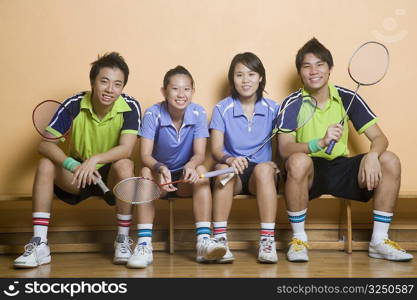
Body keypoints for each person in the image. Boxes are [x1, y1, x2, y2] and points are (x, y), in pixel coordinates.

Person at [278, 38, 413, 262]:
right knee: (297, 161)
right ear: (300, 72)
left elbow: (380, 138)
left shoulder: (347, 97)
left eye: (320, 64)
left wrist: (372, 155)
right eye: (306, 66)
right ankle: (299, 240)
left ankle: (379, 241)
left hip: (342, 168)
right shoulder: (292, 103)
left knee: (389, 159)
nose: (314, 71)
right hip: (308, 172)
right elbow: (284, 149)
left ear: (330, 69)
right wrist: (319, 143)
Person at [14, 52, 142, 268]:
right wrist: (72, 165)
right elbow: (44, 144)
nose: (110, 89)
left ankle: (122, 240)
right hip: (77, 174)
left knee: (126, 165)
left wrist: (96, 159)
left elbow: (126, 149)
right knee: (45, 162)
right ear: (93, 81)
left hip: (109, 178)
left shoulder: (131, 106)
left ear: (122, 88)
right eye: (104, 81)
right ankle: (40, 243)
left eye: (117, 84)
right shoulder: (73, 104)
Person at [127, 65, 226, 268]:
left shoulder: (198, 113)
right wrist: (160, 168)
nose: (181, 94)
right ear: (164, 91)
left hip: (184, 178)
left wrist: (190, 165)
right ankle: (144, 245)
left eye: (187, 89)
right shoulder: (152, 114)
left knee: (202, 172)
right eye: (175, 89)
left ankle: (203, 241)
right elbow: (144, 155)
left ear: (193, 91)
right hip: (158, 176)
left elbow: (199, 154)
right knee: (144, 172)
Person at [210, 52, 280, 263]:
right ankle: (220, 240)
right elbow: (215, 149)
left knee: (264, 169)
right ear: (232, 79)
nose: (246, 80)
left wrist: (276, 164)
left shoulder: (274, 109)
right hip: (236, 173)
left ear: (260, 78)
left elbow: (285, 144)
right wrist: (230, 160)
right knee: (224, 172)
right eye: (239, 75)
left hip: (262, 176)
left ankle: (267, 242)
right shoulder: (222, 108)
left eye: (251, 74)